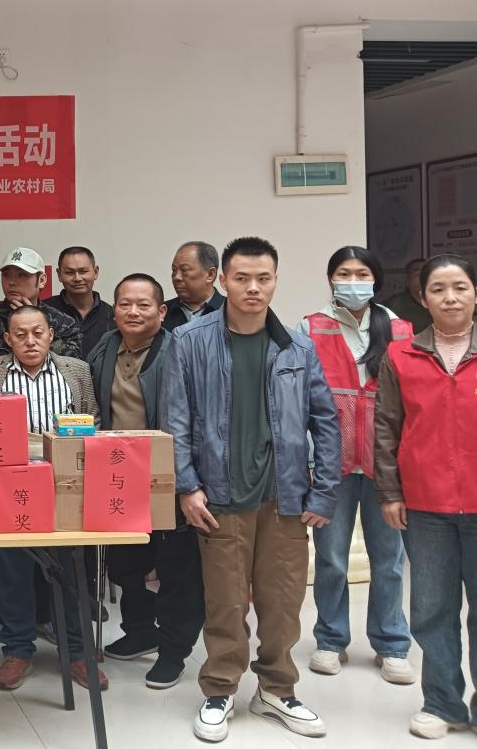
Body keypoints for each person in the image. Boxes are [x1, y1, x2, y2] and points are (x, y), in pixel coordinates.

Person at [164, 236, 340, 742]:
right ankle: (220, 690)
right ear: (223, 280)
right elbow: (175, 419)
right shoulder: (189, 341)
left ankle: (277, 690)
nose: (253, 288)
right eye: (241, 278)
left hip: (284, 497)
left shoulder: (297, 347)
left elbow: (326, 421)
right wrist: (187, 486)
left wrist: (324, 491)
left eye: (263, 278)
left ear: (276, 281)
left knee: (282, 604)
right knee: (224, 604)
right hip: (220, 497)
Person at [0, 305, 105, 693]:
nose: (30, 341)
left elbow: (93, 422)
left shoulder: (76, 370)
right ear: (7, 339)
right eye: (20, 334)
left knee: (71, 569)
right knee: (12, 570)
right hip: (8, 487)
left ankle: (77, 651)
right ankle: (18, 649)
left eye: (37, 333)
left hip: (63, 486)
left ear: (51, 335)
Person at [375, 254, 477, 740]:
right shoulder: (400, 356)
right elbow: (386, 427)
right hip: (426, 504)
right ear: (423, 297)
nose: (450, 297)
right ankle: (442, 702)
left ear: (475, 293)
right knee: (432, 609)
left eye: (460, 287)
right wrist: (390, 491)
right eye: (438, 289)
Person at [302, 247, 414, 685]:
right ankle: (331, 640)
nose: (352, 281)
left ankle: (392, 644)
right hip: (331, 463)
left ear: (376, 279)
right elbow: (300, 401)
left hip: (386, 462)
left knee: (389, 559)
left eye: (361, 273)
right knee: (331, 558)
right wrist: (309, 461)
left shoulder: (400, 329)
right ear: (331, 279)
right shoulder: (312, 327)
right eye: (344, 273)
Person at [89, 275, 203, 690]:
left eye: (143, 305)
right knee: (126, 565)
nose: (133, 312)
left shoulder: (180, 350)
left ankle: (174, 650)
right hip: (120, 477)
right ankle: (140, 631)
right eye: (124, 304)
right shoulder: (104, 348)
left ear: (161, 311)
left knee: (175, 569)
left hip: (170, 476)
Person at [0, 247, 81, 364]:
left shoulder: (64, 323)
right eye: (6, 275)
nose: (12, 282)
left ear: (42, 280)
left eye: (21, 275)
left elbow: (70, 368)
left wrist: (32, 319)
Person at [49, 246, 114, 357]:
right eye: (69, 272)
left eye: (83, 271)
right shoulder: (44, 312)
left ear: (95, 272)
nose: (77, 278)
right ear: (59, 274)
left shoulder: (112, 315)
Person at [163, 241, 225, 333]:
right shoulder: (161, 312)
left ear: (210, 274)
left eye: (184, 270)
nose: (176, 277)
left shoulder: (232, 312)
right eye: (174, 270)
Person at [384, 257, 430, 333]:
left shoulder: (442, 301)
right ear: (408, 280)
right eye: (418, 274)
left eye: (427, 274)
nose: (424, 278)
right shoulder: (393, 306)